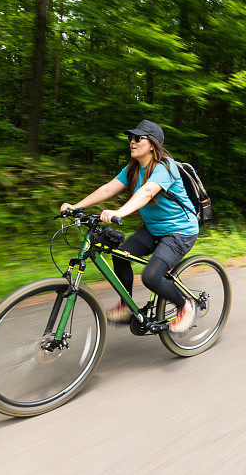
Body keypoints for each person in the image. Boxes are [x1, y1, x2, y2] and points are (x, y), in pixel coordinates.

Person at [60, 120, 199, 333]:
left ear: (152, 144)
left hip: (180, 231)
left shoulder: (166, 166)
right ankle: (126, 306)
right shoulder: (133, 169)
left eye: (138, 138)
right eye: (130, 138)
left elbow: (147, 192)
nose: (132, 142)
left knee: (151, 277)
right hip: (154, 228)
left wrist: (118, 212)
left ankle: (185, 306)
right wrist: (75, 206)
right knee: (119, 254)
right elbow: (107, 189)